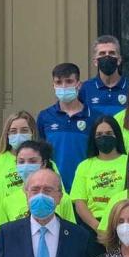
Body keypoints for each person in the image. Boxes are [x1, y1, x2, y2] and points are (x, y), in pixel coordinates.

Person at [37, 62, 95, 190]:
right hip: (53, 187)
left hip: (86, 187)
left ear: (79, 84)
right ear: (53, 85)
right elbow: (41, 154)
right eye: (58, 82)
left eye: (69, 81)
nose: (63, 87)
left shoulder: (94, 117)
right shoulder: (45, 116)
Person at [70, 115, 128, 232]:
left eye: (109, 133)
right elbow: (80, 203)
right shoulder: (84, 166)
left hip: (124, 222)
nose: (104, 137)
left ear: (117, 135)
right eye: (99, 135)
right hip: (93, 226)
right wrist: (98, 227)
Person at [2, 140, 77, 223]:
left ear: (44, 163)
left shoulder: (62, 198)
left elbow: (70, 229)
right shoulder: (8, 202)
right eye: (21, 162)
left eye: (32, 161)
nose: (26, 166)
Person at [0, 111, 37, 200]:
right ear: (7, 135)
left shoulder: (44, 160)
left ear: (32, 132)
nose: (18, 135)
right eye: (13, 131)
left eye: (24, 130)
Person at [80, 35, 129, 117]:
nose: (107, 56)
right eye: (102, 53)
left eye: (111, 53)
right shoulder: (85, 89)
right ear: (95, 61)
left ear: (119, 60)